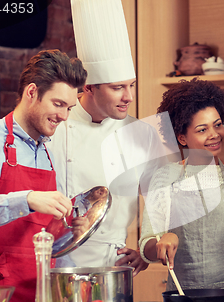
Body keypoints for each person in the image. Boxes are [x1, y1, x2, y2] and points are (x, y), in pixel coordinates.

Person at [48, 0, 166, 275]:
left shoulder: (142, 134)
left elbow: (161, 200)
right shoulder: (54, 126)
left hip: (115, 265)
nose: (129, 97)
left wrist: (145, 250)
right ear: (88, 87)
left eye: (131, 85)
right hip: (57, 263)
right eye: (118, 88)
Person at [139, 79, 224, 302]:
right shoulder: (163, 178)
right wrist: (161, 242)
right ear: (182, 138)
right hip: (181, 301)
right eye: (202, 130)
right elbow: (146, 247)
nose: (215, 134)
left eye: (218, 125)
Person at [0, 49, 87, 302]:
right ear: (32, 92)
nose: (64, 117)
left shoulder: (48, 154)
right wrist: (25, 199)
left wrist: (69, 231)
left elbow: (41, 235)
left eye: (69, 108)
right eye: (58, 104)